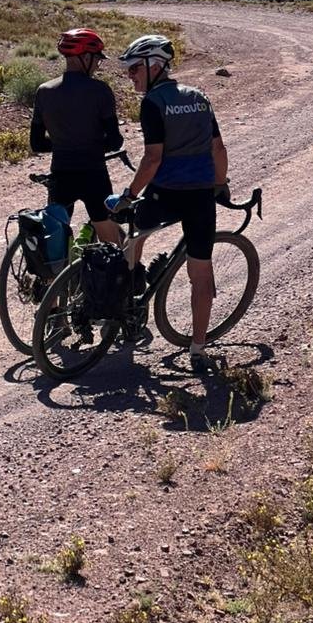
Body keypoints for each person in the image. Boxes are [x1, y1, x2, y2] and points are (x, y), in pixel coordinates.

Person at [107, 34, 229, 371]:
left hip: (164, 193)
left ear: (155, 65)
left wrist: (129, 195)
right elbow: (219, 149)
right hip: (201, 196)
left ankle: (130, 301)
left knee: (131, 232)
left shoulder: (153, 103)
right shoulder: (201, 98)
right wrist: (221, 185)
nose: (130, 75)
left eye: (134, 68)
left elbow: (152, 159)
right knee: (201, 273)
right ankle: (198, 349)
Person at [29, 29, 125, 251]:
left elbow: (36, 143)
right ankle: (123, 283)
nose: (97, 65)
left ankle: (52, 284)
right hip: (94, 175)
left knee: (56, 242)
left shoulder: (44, 91)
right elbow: (115, 142)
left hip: (61, 173)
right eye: (96, 59)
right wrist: (91, 144)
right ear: (84, 57)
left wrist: (64, 143)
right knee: (112, 247)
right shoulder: (100, 91)